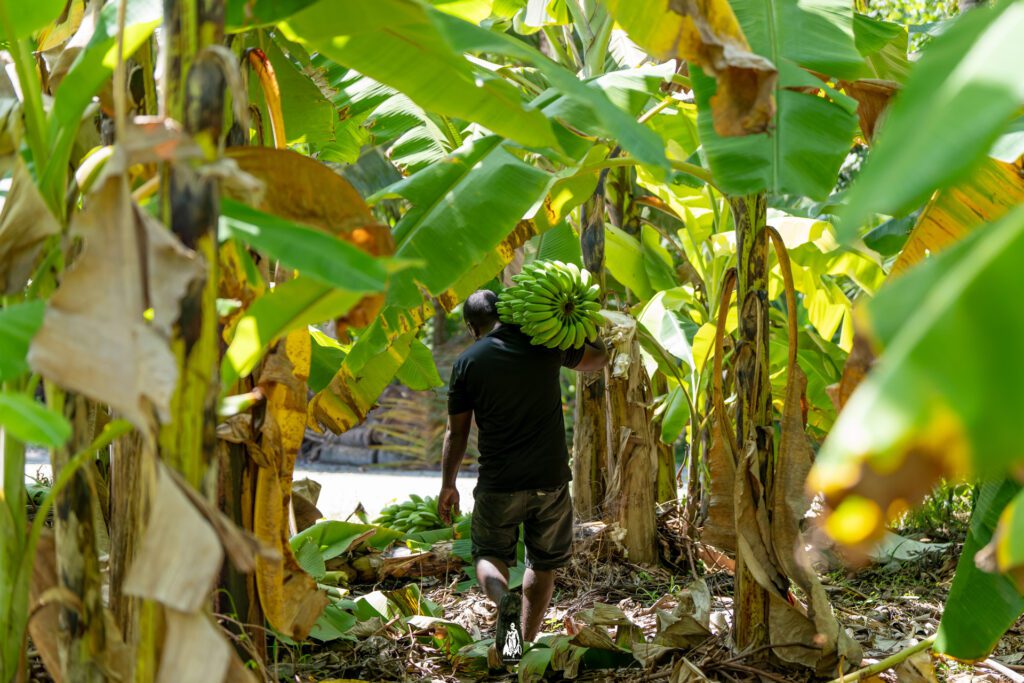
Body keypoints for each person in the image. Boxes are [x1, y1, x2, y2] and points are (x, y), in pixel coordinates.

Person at [437, 288, 610, 666]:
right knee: (543, 564)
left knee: (488, 554)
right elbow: (598, 358)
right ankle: (520, 646)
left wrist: (448, 484)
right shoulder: (546, 342)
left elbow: (457, 432)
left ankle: (504, 602)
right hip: (550, 481)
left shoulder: (468, 361)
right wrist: (583, 323)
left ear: (472, 327)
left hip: (499, 482)